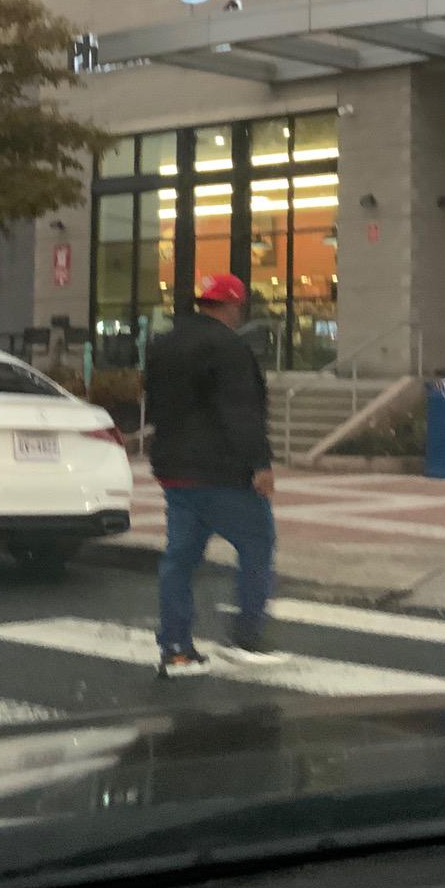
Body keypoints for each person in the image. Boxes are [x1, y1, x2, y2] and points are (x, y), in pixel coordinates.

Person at [145, 271, 283, 678]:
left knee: (180, 559)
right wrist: (260, 464)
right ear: (232, 305)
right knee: (258, 543)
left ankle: (176, 647)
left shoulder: (163, 344)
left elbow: (154, 404)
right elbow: (240, 410)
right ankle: (246, 637)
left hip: (175, 470)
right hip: (222, 471)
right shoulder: (229, 347)